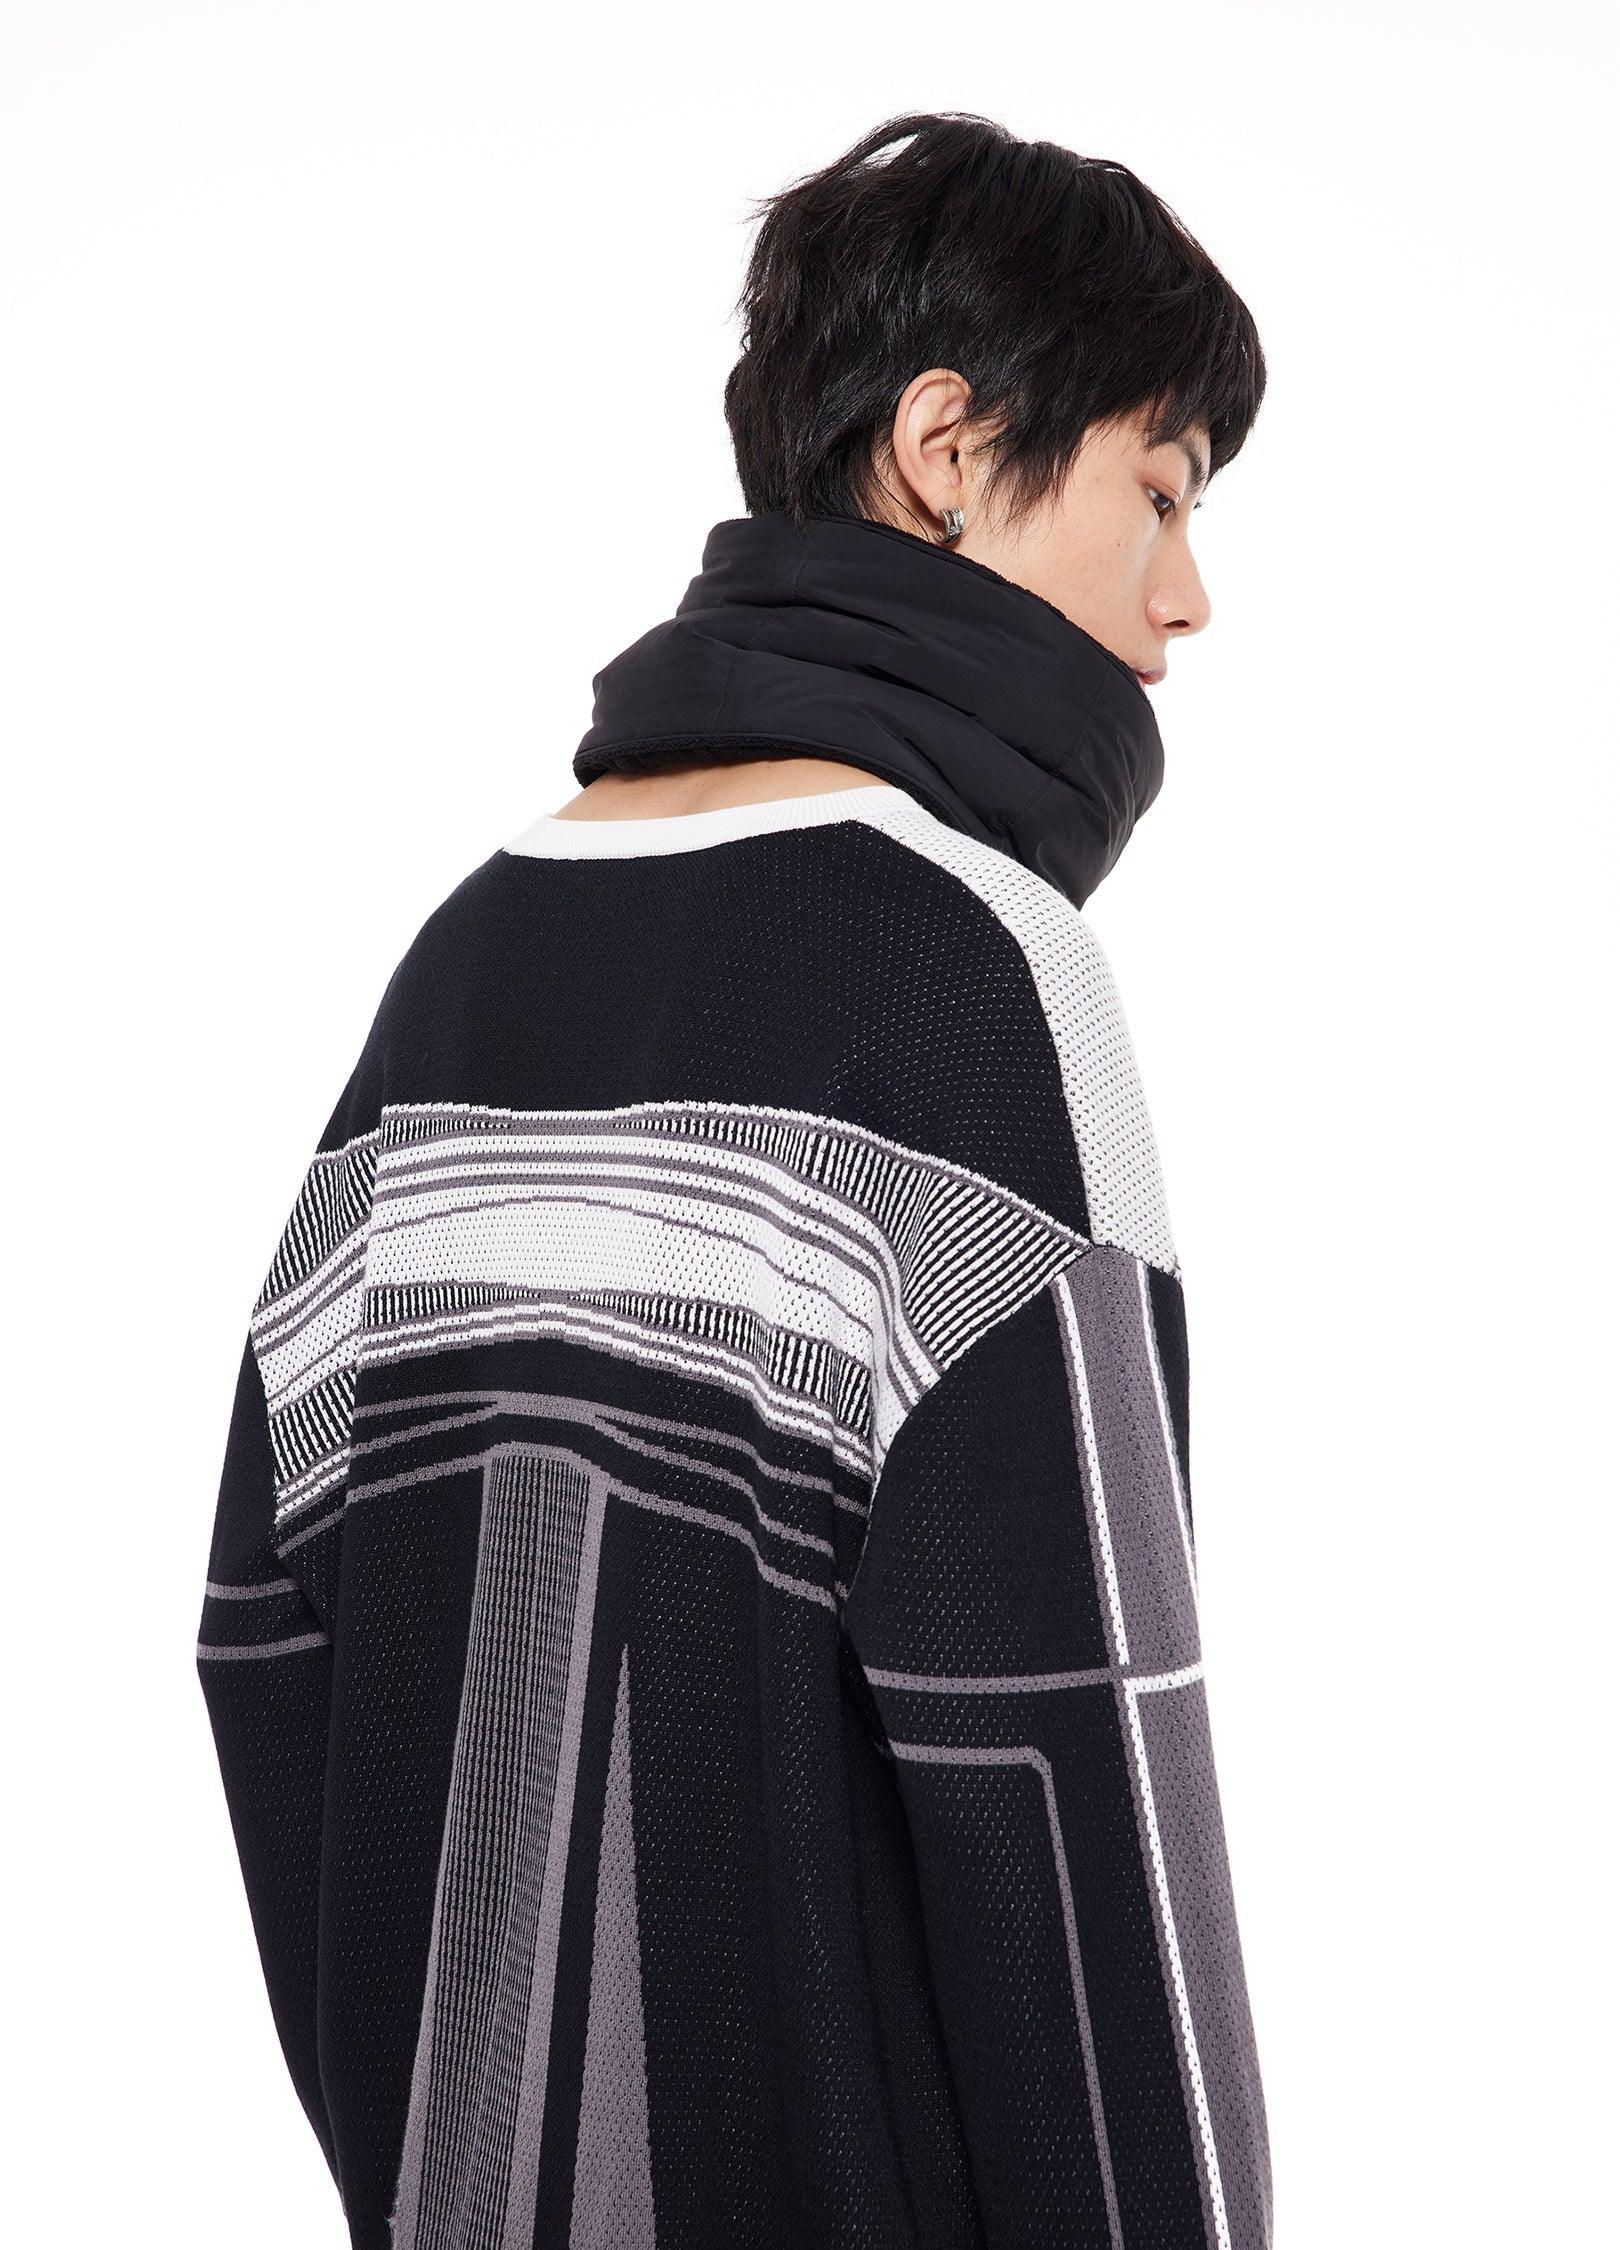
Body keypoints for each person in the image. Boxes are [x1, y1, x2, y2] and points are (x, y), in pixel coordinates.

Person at [196, 109, 1271, 2250]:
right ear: (947, 448)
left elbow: (262, 1643)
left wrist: (440, 2170)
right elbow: (1073, 1779)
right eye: (1159, 488)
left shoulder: (466, 958)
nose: (1189, 595)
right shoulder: (984, 975)